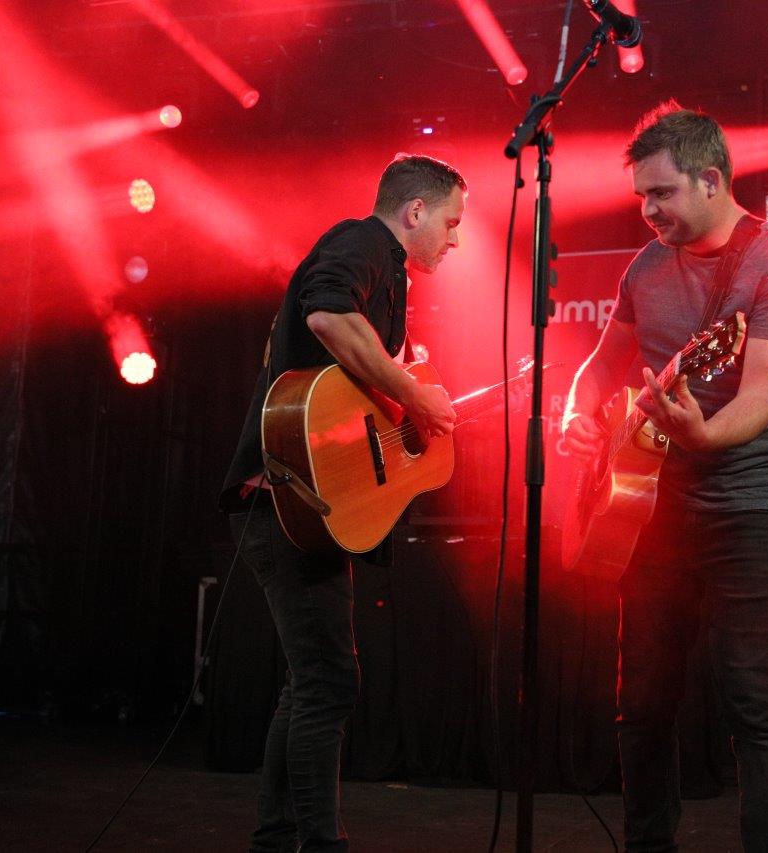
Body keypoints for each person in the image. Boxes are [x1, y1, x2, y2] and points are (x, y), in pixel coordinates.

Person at [562, 102, 768, 852]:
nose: (648, 211)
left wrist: (701, 434)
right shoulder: (645, 267)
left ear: (711, 180)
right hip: (654, 508)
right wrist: (576, 414)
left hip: (753, 503)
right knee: (641, 703)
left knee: (755, 703)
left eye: (662, 193)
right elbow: (598, 366)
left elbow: (758, 401)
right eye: (641, 196)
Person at [220, 153, 466, 852]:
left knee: (313, 682)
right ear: (414, 212)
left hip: (308, 506)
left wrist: (407, 400)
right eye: (450, 223)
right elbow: (328, 314)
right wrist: (413, 394)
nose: (455, 239)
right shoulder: (363, 242)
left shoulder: (389, 273)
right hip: (284, 504)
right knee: (328, 680)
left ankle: (276, 838)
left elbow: (355, 392)